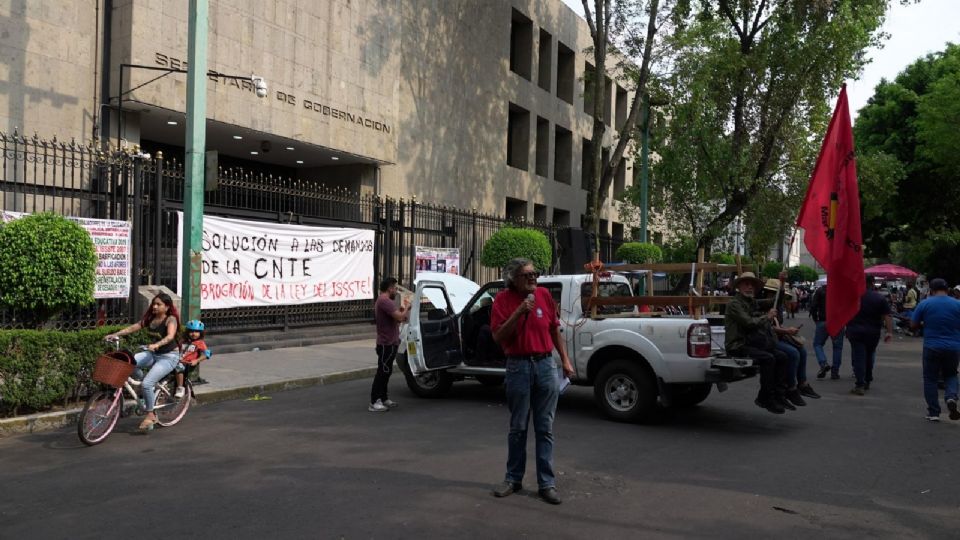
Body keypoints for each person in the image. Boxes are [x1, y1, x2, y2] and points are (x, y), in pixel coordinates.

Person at [490, 257, 574, 505]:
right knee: (518, 427)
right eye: (527, 275)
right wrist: (518, 312)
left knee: (544, 427)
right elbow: (498, 337)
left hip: (546, 365)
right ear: (513, 279)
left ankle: (546, 483)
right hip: (518, 366)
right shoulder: (502, 301)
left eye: (534, 274)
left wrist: (565, 361)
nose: (533, 278)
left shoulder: (545, 296)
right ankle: (513, 479)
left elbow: (554, 330)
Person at [105, 292, 180, 431]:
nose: (155, 307)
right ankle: (147, 385)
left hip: (169, 356)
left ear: (167, 307)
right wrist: (116, 334)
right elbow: (134, 327)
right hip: (153, 353)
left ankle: (151, 414)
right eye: (154, 304)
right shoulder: (150, 319)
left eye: (159, 304)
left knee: (146, 384)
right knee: (128, 363)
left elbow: (170, 336)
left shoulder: (171, 319)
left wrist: (157, 344)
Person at [724, 272, 791, 414]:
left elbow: (774, 302)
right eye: (746, 284)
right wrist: (767, 317)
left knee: (783, 357)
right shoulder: (735, 304)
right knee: (768, 359)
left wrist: (782, 283)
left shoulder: (751, 302)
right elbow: (749, 323)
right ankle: (765, 397)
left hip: (752, 343)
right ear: (739, 286)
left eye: (752, 285)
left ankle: (779, 394)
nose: (749, 287)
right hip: (738, 345)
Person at [909, 278, 960, 422]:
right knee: (951, 374)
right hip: (953, 347)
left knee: (930, 378)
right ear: (948, 289)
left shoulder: (925, 303)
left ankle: (934, 412)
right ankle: (951, 397)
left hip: (932, 346)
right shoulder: (958, 304)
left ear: (931, 290)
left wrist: (924, 323)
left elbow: (913, 325)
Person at [846, 275, 895, 396]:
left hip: (855, 331)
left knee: (859, 357)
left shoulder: (853, 297)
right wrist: (889, 332)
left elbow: (845, 313)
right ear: (872, 283)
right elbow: (887, 316)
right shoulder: (879, 298)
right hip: (873, 333)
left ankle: (860, 384)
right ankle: (867, 380)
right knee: (868, 356)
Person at [369, 277, 410, 412]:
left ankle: (384, 398)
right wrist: (407, 308)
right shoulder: (384, 301)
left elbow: (400, 318)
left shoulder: (386, 301)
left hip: (390, 342)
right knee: (383, 371)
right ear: (389, 288)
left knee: (387, 371)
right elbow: (399, 317)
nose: (396, 290)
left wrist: (403, 312)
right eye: (394, 287)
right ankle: (374, 401)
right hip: (386, 343)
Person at [810, 284, 846, 380]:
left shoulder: (820, 290)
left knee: (817, 344)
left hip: (823, 321)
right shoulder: (841, 291)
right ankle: (835, 372)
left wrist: (815, 319)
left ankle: (823, 363)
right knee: (837, 347)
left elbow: (813, 306)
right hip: (838, 322)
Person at [176, 319, 211, 398]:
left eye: (196, 331)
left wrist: (197, 360)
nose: (194, 334)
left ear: (200, 333)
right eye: (191, 331)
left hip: (186, 363)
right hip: (177, 359)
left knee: (179, 367)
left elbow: (207, 354)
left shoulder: (200, 343)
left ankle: (180, 388)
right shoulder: (183, 341)